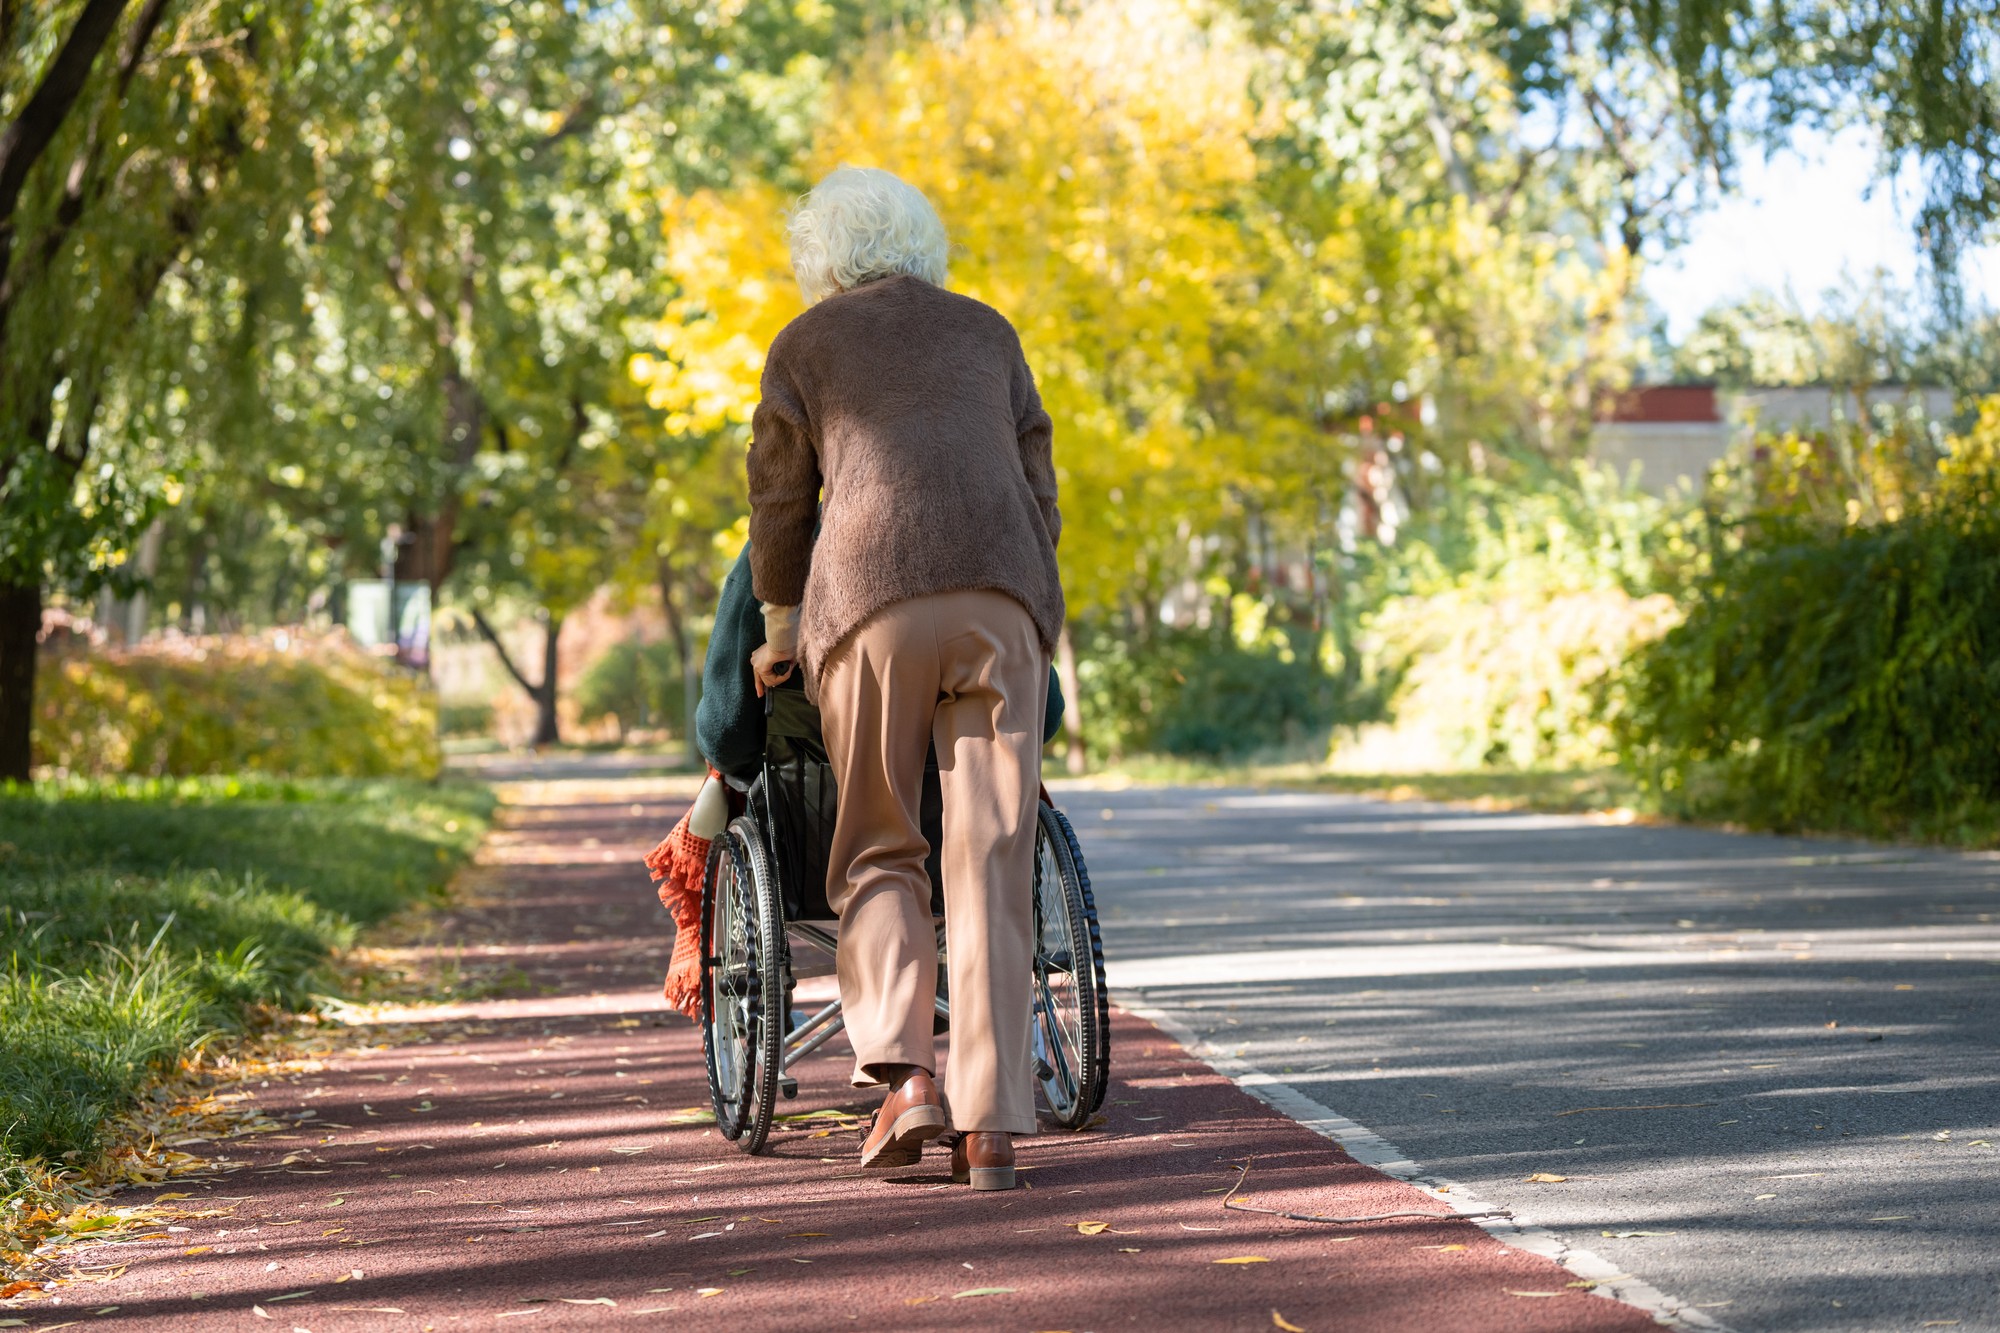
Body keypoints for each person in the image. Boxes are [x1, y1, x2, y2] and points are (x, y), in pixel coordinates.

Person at [747, 165, 1063, 1191]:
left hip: (872, 602)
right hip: (998, 600)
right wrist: (1035, 610)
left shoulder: (805, 345)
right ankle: (993, 1125)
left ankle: (906, 1084)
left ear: (822, 256)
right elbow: (1036, 485)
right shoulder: (989, 331)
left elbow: (781, 503)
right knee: (993, 861)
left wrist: (779, 626)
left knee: (880, 845)